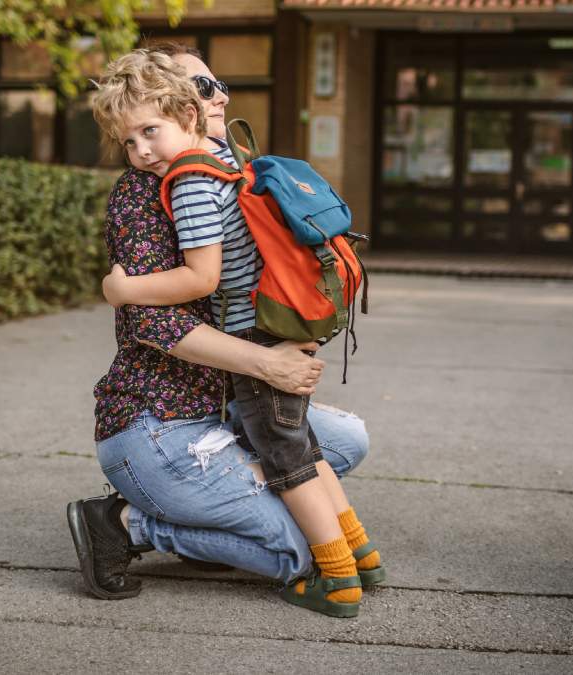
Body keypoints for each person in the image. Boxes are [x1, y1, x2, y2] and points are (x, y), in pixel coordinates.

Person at [66, 46, 380, 618]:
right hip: (160, 422)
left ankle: (230, 499)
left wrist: (290, 332)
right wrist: (266, 362)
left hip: (223, 409)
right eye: (205, 87)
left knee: (341, 444)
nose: (220, 97)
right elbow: (156, 316)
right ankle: (125, 523)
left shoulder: (227, 168)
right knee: (296, 550)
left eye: (218, 86)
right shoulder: (147, 190)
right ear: (181, 102)